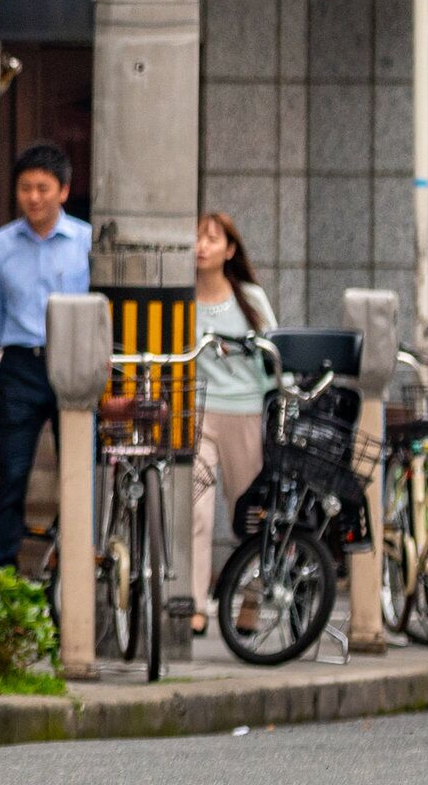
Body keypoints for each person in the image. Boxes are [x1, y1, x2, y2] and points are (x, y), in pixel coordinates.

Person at [0, 143, 94, 571]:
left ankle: (71, 564)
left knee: (79, 473)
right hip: (20, 366)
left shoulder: (87, 242)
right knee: (12, 476)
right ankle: (0, 575)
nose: (34, 197)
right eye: (26, 188)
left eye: (43, 187)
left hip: (75, 365)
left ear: (63, 190)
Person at [182, 210, 274, 637]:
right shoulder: (180, 297)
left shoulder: (249, 298)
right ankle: (196, 605)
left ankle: (250, 602)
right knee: (197, 512)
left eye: (212, 239)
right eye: (197, 238)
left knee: (250, 515)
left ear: (230, 250)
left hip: (247, 413)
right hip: (198, 412)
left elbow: (275, 355)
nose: (202, 247)